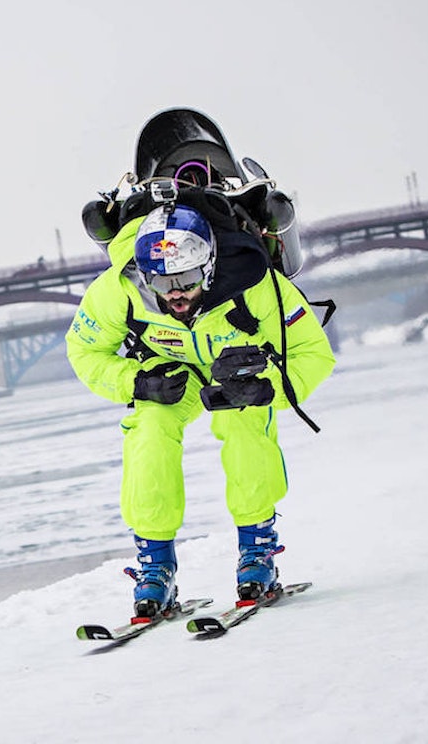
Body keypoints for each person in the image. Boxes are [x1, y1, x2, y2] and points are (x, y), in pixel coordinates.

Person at [65, 187, 335, 619]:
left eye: (186, 281)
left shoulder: (257, 283)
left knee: (244, 421)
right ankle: (155, 565)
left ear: (208, 267)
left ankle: (257, 551)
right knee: (149, 429)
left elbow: (314, 353)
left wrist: (269, 389)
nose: (174, 294)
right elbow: (84, 351)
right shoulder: (118, 289)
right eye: (163, 283)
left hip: (236, 370)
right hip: (170, 373)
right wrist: (136, 381)